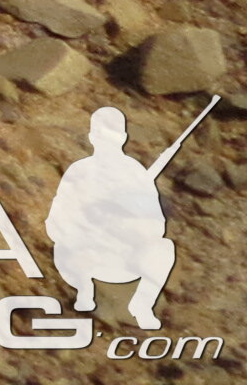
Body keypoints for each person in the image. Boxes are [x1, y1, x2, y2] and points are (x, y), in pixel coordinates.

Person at [47, 106, 181, 328]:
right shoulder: (80, 170)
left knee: (165, 248)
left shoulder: (135, 173)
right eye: (101, 134)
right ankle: (85, 294)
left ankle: (142, 306)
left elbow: (156, 224)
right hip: (84, 250)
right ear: (92, 136)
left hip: (124, 253)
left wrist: (128, 221)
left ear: (123, 137)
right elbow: (57, 218)